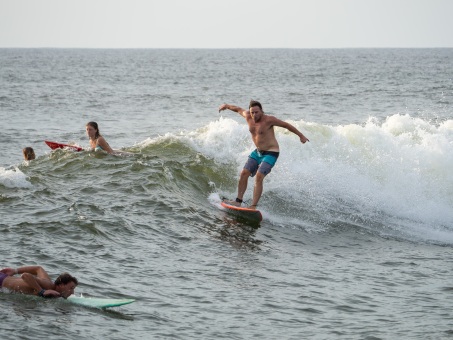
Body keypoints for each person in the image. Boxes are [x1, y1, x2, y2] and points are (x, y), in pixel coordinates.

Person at [218, 100, 309, 209]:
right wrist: (227, 106)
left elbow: (286, 125)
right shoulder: (248, 116)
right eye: (252, 112)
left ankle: (253, 205)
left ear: (261, 111)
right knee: (244, 173)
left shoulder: (269, 120)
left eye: (256, 112)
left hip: (271, 153)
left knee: (259, 176)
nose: (254, 115)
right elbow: (238, 109)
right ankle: (238, 201)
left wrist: (301, 136)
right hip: (257, 152)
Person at [0, 265, 78, 299]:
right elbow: (25, 276)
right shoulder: (48, 285)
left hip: (4, 277)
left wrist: (15, 271)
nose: (72, 292)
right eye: (71, 288)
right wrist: (41, 291)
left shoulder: (48, 282)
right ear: (61, 285)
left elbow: (38, 268)